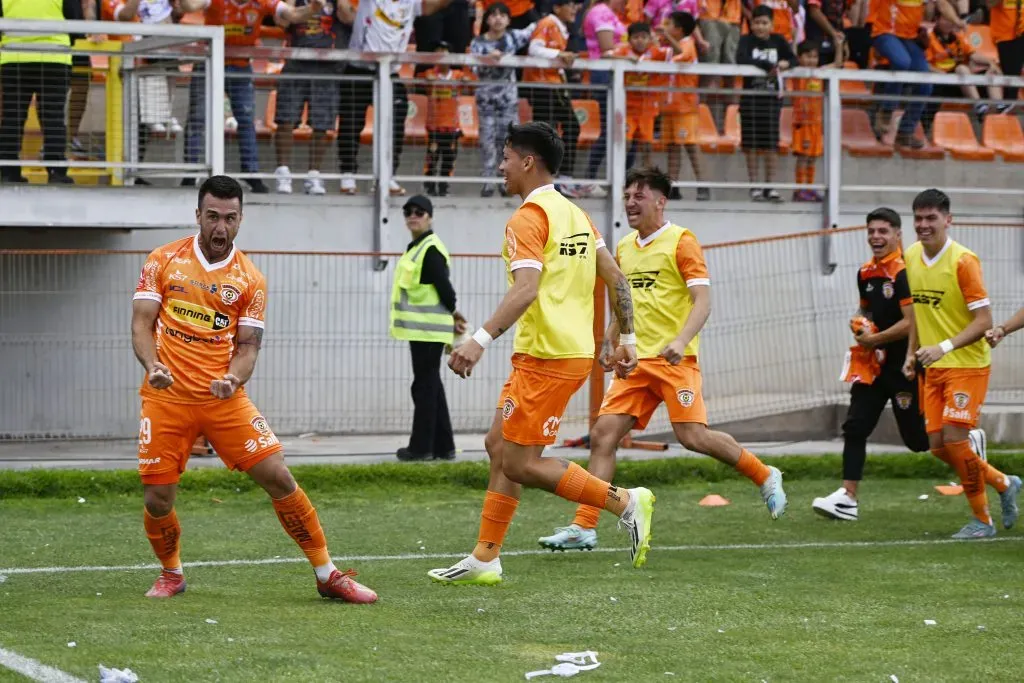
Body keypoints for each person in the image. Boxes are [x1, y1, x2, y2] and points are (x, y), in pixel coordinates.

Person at [130, 175, 377, 602]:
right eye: (212, 217)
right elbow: (141, 323)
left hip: (223, 400)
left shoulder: (250, 279)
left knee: (279, 476)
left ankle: (327, 574)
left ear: (240, 219)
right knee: (157, 498)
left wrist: (233, 378)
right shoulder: (162, 259)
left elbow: (247, 347)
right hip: (166, 398)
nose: (220, 227)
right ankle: (171, 574)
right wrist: (153, 365)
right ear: (198, 216)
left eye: (229, 218)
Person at [428, 122, 654, 585]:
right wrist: (626, 340)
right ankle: (485, 557)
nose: (501, 166)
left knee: (520, 463)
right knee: (498, 446)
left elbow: (526, 289)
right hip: (550, 353)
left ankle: (626, 502)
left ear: (528, 162)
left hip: (550, 356)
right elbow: (616, 278)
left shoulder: (527, 219)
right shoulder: (576, 214)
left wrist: (478, 340)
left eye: (506, 157)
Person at [537, 167, 786, 551]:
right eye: (627, 196)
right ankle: (584, 526)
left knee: (693, 437)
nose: (630, 202)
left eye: (639, 195)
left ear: (660, 201)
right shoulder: (622, 247)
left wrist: (682, 339)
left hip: (674, 361)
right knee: (603, 436)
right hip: (635, 363)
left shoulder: (681, 241)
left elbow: (703, 300)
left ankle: (764, 473)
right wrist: (609, 341)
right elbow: (624, 304)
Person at [902, 188, 1021, 538]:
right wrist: (913, 353)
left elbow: (984, 320)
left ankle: (982, 521)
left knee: (955, 440)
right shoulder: (910, 255)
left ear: (948, 220)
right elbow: (916, 315)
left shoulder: (963, 261)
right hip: (934, 367)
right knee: (938, 448)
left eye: (931, 218)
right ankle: (1004, 482)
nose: (924, 225)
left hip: (967, 364)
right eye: (919, 219)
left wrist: (943, 346)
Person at [812, 208, 936, 520]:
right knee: (855, 426)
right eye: (871, 231)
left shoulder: (905, 272)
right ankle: (847, 498)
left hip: (904, 366)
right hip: (873, 367)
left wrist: (874, 340)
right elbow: (865, 311)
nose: (876, 237)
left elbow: (911, 323)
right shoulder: (865, 272)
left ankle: (967, 438)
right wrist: (859, 324)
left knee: (917, 442)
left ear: (898, 235)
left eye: (883, 231)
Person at [179, 0, 324, 193]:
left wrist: (313, 9)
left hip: (241, 66)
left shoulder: (262, 2)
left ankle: (251, 173)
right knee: (198, 117)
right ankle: (191, 171)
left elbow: (292, 15)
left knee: (246, 121)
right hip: (209, 62)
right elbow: (189, 6)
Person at [334, 0, 456, 196]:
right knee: (351, 122)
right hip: (359, 68)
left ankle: (387, 176)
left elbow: (434, 5)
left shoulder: (411, 3)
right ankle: (348, 174)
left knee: (396, 122)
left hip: (390, 72)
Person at [389, 195, 467, 461]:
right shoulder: (417, 246)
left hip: (428, 331)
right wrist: (454, 313)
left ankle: (421, 448)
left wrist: (454, 311)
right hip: (422, 330)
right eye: (408, 212)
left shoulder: (430, 248)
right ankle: (444, 447)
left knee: (423, 386)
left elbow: (447, 291)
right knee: (431, 385)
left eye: (419, 212)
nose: (413, 216)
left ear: (430, 216)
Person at [273, 0, 353, 195]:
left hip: (328, 65)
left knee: (322, 125)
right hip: (296, 62)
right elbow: (280, 21)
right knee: (286, 119)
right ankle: (283, 173)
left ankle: (314, 175)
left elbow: (350, 19)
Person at [0, 0, 83, 185]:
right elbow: (76, 22)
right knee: (53, 118)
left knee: (12, 117)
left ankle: (8, 171)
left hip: (14, 57)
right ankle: (56, 171)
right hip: (54, 57)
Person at [867, 0, 964, 148]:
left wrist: (958, 21)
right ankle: (886, 109)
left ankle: (906, 131)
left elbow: (942, 3)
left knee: (925, 84)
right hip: (884, 32)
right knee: (902, 62)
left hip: (910, 37)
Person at [470, 3, 535, 197]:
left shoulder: (513, 37)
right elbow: (474, 69)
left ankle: (506, 182)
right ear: (487, 19)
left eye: (502, 15)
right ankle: (488, 182)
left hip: (508, 100)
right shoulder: (478, 43)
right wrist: (488, 59)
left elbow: (535, 28)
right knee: (487, 141)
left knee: (508, 143)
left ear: (508, 19)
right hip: (487, 100)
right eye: (493, 15)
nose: (498, 19)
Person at [523, 0, 584, 197]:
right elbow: (534, 48)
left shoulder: (560, 28)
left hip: (552, 84)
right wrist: (560, 54)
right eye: (571, 4)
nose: (574, 8)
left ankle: (548, 178)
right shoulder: (548, 23)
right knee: (567, 127)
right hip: (544, 85)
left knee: (547, 132)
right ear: (557, 7)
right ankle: (559, 177)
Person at [736, 5, 793, 203]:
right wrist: (768, 66)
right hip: (750, 100)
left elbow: (793, 59)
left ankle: (770, 186)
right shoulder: (745, 40)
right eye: (756, 23)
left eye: (764, 23)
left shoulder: (779, 41)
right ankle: (754, 186)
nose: (760, 27)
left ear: (772, 24)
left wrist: (786, 63)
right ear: (751, 24)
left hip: (771, 102)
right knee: (750, 145)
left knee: (771, 146)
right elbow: (741, 58)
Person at [922, 15, 1007, 134]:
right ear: (936, 20)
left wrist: (991, 63)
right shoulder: (929, 38)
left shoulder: (958, 37)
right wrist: (942, 75)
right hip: (942, 81)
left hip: (963, 83)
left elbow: (973, 54)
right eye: (945, 19)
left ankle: (998, 108)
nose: (949, 22)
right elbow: (925, 65)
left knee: (991, 72)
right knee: (962, 68)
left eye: (951, 19)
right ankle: (978, 105)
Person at [658, 12, 708, 201]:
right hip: (669, 106)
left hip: (685, 108)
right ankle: (673, 186)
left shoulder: (688, 43)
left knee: (691, 146)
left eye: (669, 24)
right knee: (672, 147)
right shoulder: (669, 47)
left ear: (679, 29)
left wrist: (666, 36)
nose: (666, 26)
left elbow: (683, 54)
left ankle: (703, 186)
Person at [613, 23, 673, 171]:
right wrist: (624, 61)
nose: (640, 41)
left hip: (647, 110)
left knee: (646, 147)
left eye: (644, 37)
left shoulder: (655, 52)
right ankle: (619, 181)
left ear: (649, 39)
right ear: (630, 39)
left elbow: (676, 52)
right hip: (626, 109)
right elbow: (603, 56)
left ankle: (647, 183)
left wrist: (665, 36)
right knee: (623, 145)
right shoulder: (623, 51)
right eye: (636, 37)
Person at [581, 0, 627, 190]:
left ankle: (621, 182)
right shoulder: (602, 12)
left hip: (615, 73)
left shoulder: (610, 13)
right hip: (606, 74)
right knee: (610, 130)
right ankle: (590, 179)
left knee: (622, 131)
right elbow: (607, 49)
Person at [790, 40, 840, 202]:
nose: (811, 60)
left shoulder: (819, 73)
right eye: (807, 56)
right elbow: (791, 54)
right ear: (799, 57)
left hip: (816, 124)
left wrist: (839, 45)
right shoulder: (797, 73)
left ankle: (809, 188)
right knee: (802, 157)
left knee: (812, 157)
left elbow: (838, 64)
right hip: (802, 123)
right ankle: (799, 189)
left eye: (814, 57)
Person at [422, 43, 467, 197]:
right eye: (438, 54)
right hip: (434, 126)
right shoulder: (429, 74)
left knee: (449, 158)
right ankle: (429, 186)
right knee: (432, 157)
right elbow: (420, 81)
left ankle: (443, 186)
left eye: (445, 54)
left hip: (452, 126)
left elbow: (470, 81)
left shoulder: (458, 76)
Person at [989, 0, 1023, 106]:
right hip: (1005, 36)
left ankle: (1009, 104)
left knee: (1014, 74)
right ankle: (1008, 105)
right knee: (1011, 74)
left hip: (1021, 33)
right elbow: (989, 4)